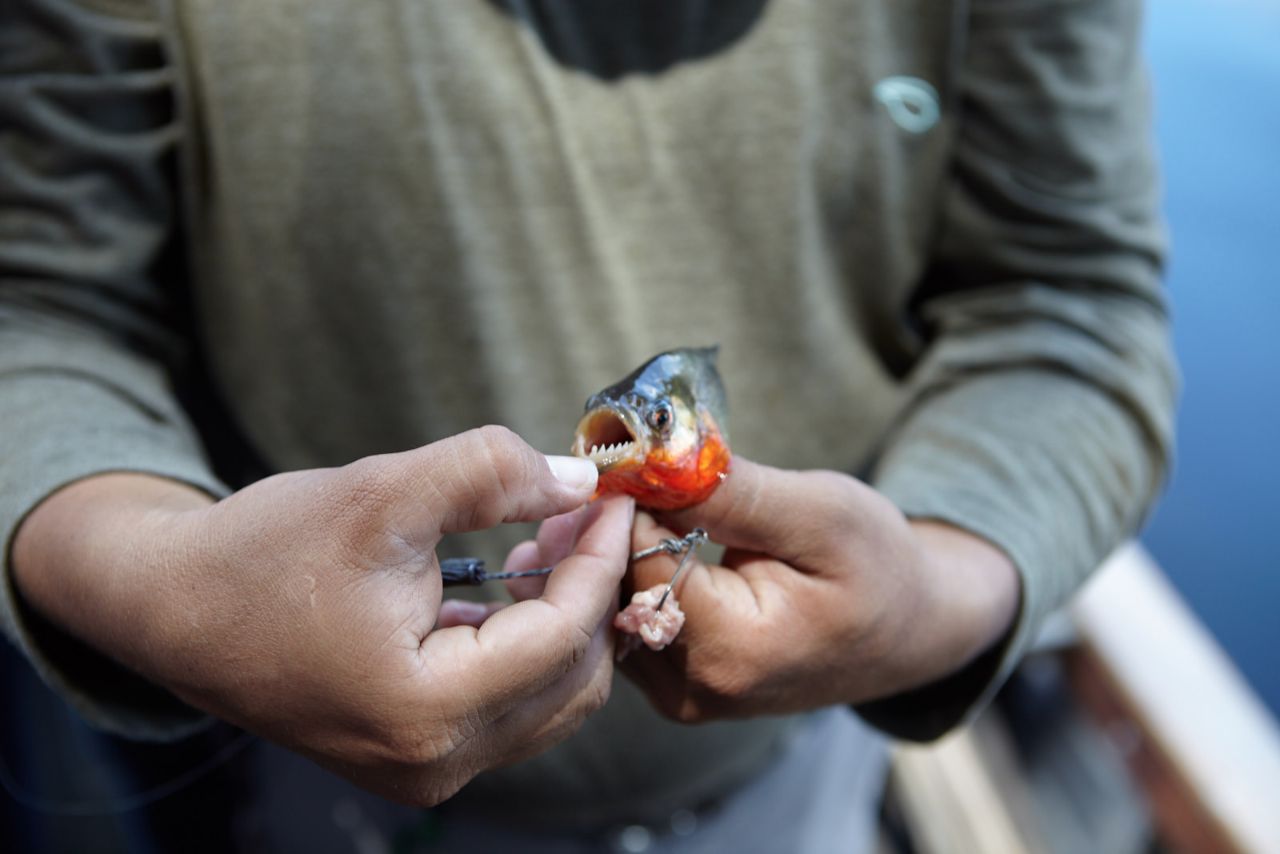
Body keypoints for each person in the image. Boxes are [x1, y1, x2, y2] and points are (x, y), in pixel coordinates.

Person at [0, 0, 1175, 851]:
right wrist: (163, 583)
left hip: (797, 779)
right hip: (309, 796)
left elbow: (1065, 299)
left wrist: (931, 592)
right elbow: (40, 306)